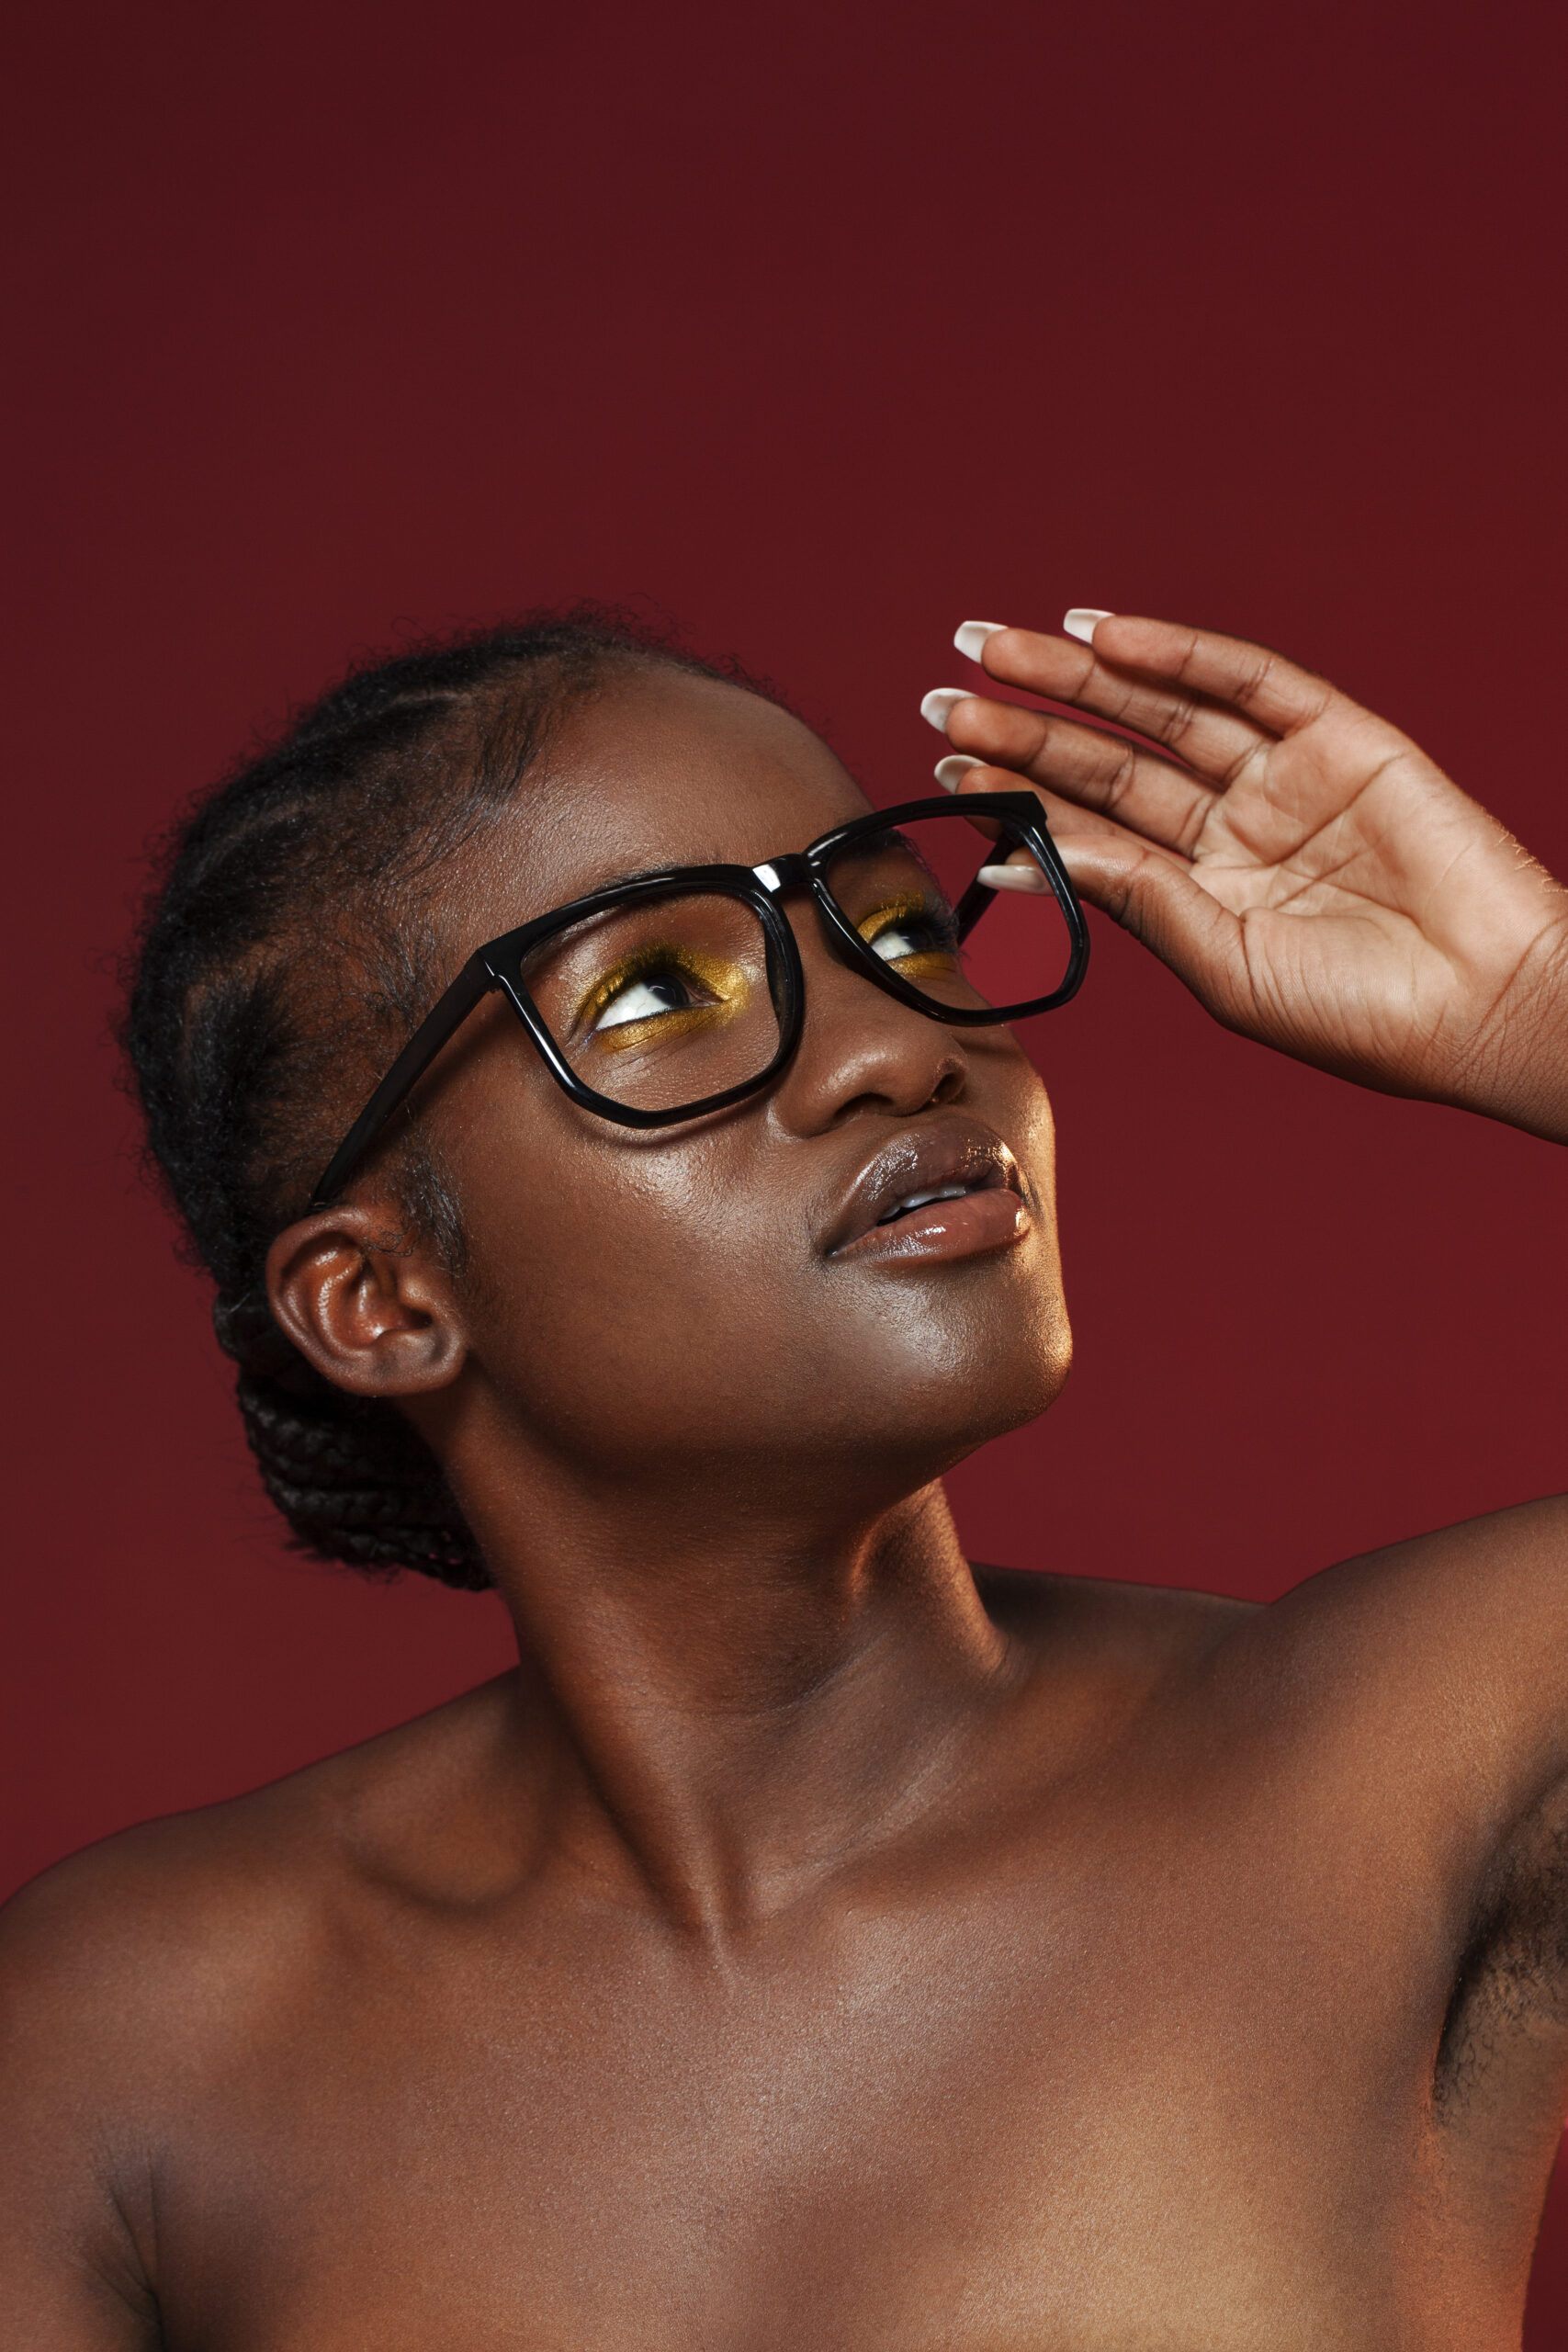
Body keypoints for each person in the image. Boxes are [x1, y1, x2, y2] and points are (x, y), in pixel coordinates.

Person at [4, 601, 1567, 2351]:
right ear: (379, 1303)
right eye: (663, 991)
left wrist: (1537, 1002)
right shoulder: (127, 2046)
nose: (904, 1045)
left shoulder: (1415, 1767)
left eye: (899, 928)